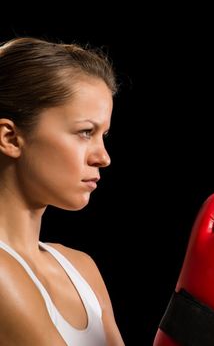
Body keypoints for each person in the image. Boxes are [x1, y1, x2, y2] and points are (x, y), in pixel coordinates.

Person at [0, 37, 125, 345]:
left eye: (103, 135)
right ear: (11, 138)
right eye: (85, 132)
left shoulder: (82, 269)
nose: (103, 157)